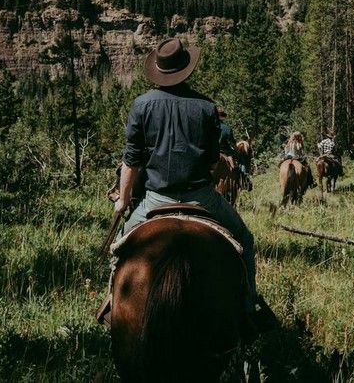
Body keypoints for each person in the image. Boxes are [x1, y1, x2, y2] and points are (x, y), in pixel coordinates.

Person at [113, 37, 275, 331]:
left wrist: (123, 200)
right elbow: (214, 161)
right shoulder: (205, 107)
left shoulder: (141, 105)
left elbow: (131, 161)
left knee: (118, 249)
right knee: (245, 241)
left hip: (155, 200)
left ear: (159, 71)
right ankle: (249, 308)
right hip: (201, 198)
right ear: (185, 69)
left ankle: (112, 308)